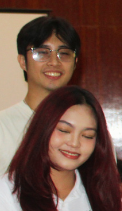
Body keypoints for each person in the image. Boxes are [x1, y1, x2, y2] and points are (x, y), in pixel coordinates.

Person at [0, 16, 80, 175]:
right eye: (42, 53)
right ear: (23, 61)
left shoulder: (87, 128)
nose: (54, 62)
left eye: (64, 53)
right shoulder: (3, 126)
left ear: (75, 62)